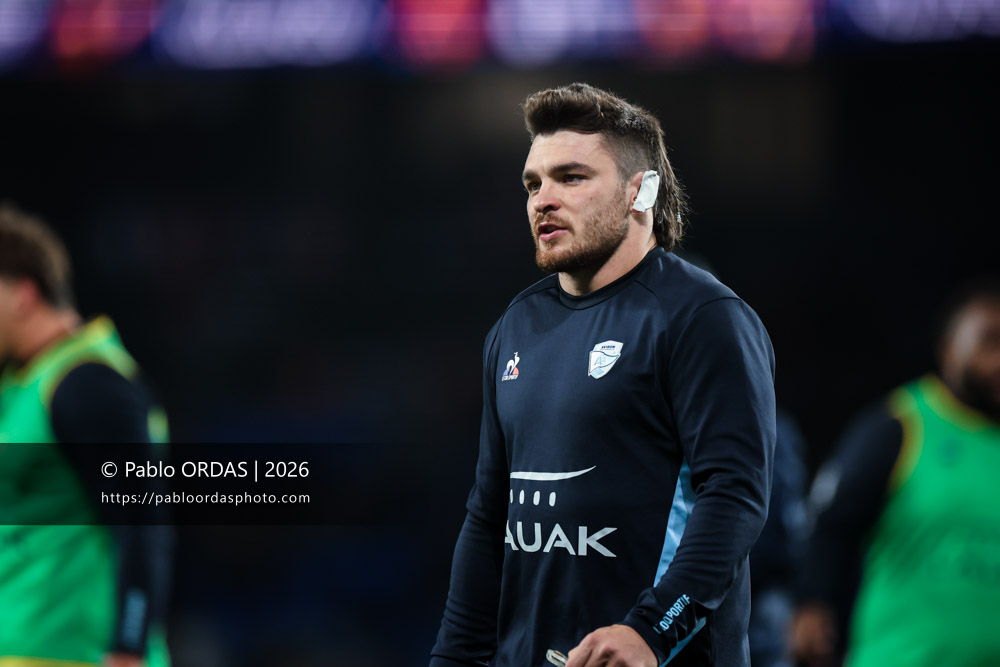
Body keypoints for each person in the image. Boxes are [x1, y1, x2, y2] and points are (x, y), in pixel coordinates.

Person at [429, 83, 776, 667]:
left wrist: (653, 631)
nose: (543, 199)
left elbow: (736, 495)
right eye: (533, 183)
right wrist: (454, 659)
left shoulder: (702, 318)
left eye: (571, 177)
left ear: (642, 190)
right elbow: (489, 518)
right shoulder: (515, 327)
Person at [792, 280, 1000, 666]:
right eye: (990, 341)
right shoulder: (901, 423)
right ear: (950, 348)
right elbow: (832, 520)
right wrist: (812, 601)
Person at [0, 204, 172, 667]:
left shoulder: (88, 384)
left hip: (78, 656)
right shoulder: (22, 384)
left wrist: (129, 646)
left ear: (23, 294)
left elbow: (140, 521)